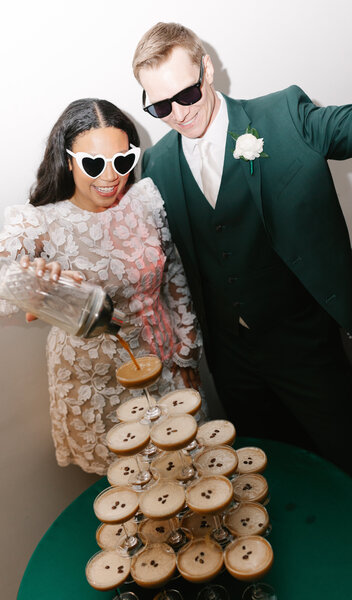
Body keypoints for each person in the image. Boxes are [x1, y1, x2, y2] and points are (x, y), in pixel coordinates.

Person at [132, 22, 352, 474]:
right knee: (266, 479)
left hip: (307, 347)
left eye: (186, 95)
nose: (177, 113)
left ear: (207, 70)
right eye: (160, 105)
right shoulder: (155, 166)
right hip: (233, 365)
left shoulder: (283, 115)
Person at [0, 98, 202, 475]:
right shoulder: (41, 223)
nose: (110, 176)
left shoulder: (145, 199)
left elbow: (173, 277)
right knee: (131, 501)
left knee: (189, 477)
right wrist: (23, 281)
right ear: (67, 159)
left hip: (165, 368)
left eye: (122, 161)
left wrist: (187, 354)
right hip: (97, 389)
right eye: (93, 163)